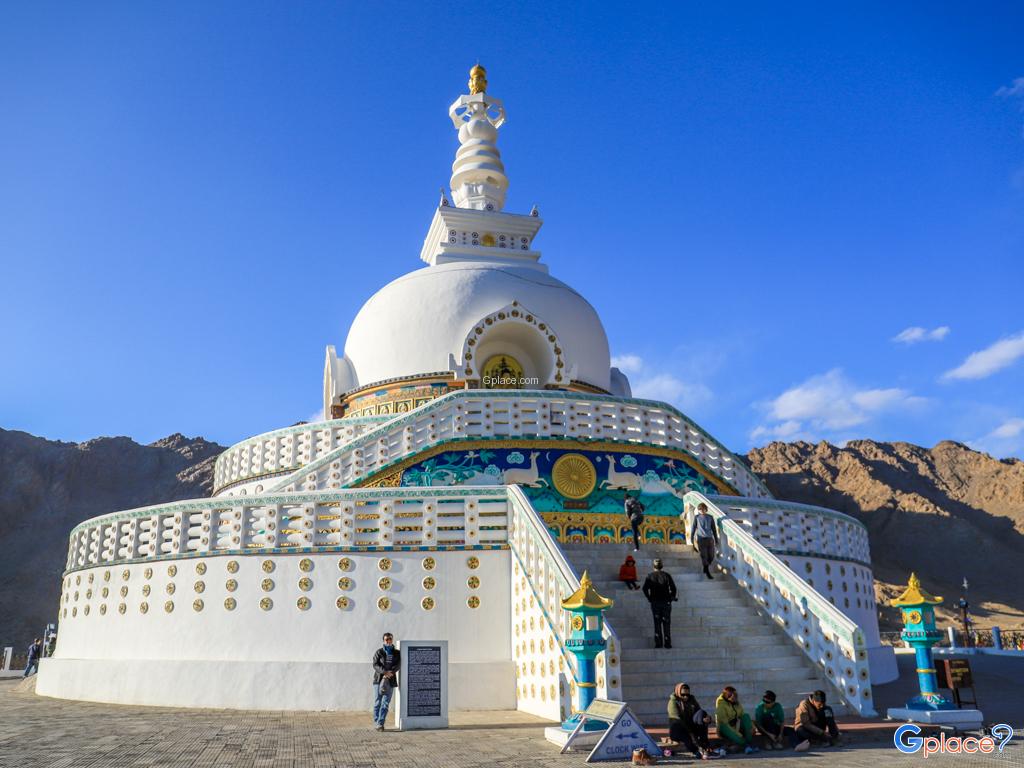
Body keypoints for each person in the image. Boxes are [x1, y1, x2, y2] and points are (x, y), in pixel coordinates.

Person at [667, 683, 718, 759]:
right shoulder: (673, 702)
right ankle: (697, 750)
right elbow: (677, 719)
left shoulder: (692, 699)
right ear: (678, 692)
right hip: (679, 728)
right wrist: (690, 732)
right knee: (687, 737)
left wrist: (708, 719)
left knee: (702, 713)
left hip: (690, 725)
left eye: (687, 694)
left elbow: (699, 711)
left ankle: (705, 746)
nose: (685, 697)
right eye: (683, 694)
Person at [641, 558, 677, 648]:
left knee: (657, 622)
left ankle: (658, 643)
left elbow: (644, 588)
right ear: (662, 566)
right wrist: (672, 597)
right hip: (666, 602)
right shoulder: (666, 575)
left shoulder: (650, 576)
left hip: (655, 602)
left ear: (654, 566)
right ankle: (667, 643)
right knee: (666, 622)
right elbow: (674, 588)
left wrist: (649, 598)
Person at [715, 686, 759, 754]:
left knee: (746, 716)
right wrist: (738, 734)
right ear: (728, 696)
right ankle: (746, 745)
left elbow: (742, 713)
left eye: (736, 695)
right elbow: (725, 723)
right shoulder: (721, 704)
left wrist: (753, 727)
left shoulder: (735, 701)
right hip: (725, 727)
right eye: (734, 696)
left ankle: (748, 743)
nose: (736, 697)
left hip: (736, 725)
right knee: (738, 737)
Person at [371, 632, 400, 731]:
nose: (388, 641)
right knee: (377, 702)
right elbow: (375, 664)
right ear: (383, 641)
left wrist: (390, 673)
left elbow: (398, 665)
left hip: (390, 681)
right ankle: (377, 720)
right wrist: (384, 672)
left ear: (392, 639)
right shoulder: (379, 652)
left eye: (390, 639)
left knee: (385, 703)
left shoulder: (397, 653)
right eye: (386, 639)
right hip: (378, 680)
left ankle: (380, 723)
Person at [690, 503, 719, 579]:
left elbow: (714, 529)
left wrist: (716, 539)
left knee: (711, 555)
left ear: (706, 509)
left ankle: (705, 567)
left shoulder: (710, 517)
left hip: (709, 538)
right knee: (704, 555)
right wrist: (691, 537)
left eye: (703, 509)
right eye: (700, 509)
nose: (701, 510)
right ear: (698, 510)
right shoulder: (697, 517)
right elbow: (693, 528)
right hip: (701, 539)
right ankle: (707, 571)